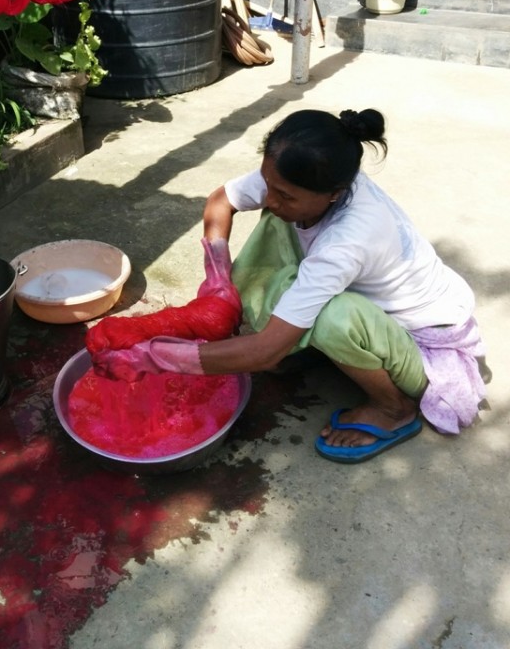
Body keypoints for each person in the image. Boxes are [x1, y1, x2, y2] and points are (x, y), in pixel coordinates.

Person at [92, 108, 489, 464]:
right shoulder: (296, 176)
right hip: (376, 314)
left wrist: (154, 357)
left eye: (285, 194)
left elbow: (265, 353)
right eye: (268, 182)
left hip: (423, 342)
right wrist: (216, 278)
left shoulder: (349, 240)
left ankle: (392, 408)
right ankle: (291, 335)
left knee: (333, 319)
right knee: (277, 223)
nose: (271, 197)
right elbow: (220, 201)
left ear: (335, 193)